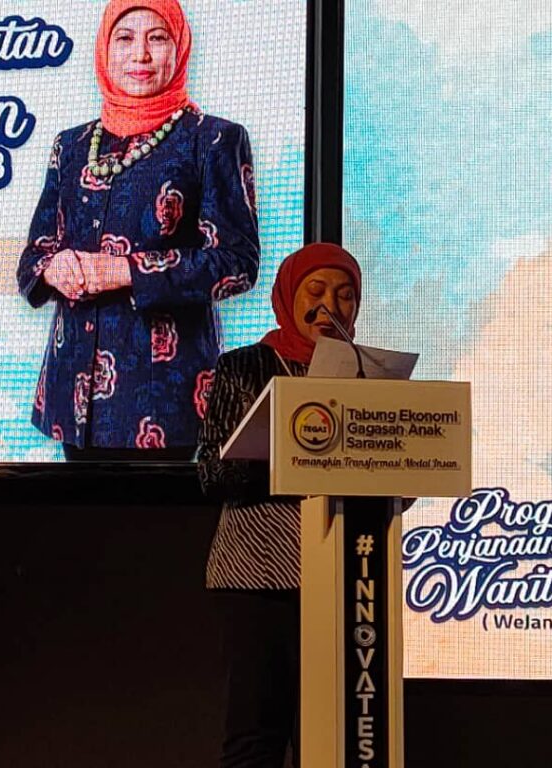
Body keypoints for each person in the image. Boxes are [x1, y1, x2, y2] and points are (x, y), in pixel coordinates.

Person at [17, 0, 260, 460]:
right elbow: (34, 255)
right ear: (104, 50)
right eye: (125, 38)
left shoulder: (212, 139)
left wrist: (126, 271)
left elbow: (236, 262)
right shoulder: (72, 145)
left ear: (179, 48)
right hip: (74, 399)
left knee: (157, 511)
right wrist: (53, 267)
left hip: (163, 402)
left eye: (157, 38)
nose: (140, 54)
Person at [197, 243, 362, 768]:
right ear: (289, 297)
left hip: (342, 576)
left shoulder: (366, 376)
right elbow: (212, 473)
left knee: (332, 736)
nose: (330, 305)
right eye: (316, 291)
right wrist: (288, 454)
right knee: (256, 738)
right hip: (257, 576)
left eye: (345, 294)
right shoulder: (244, 366)